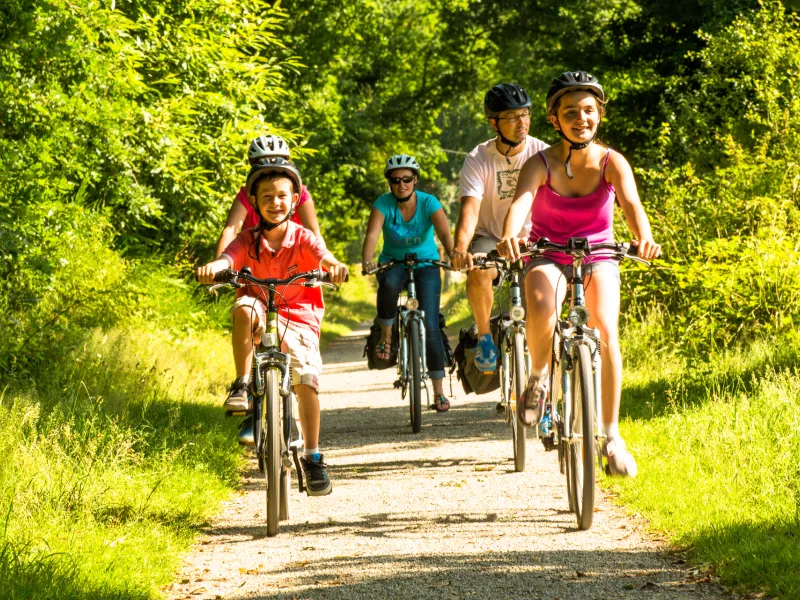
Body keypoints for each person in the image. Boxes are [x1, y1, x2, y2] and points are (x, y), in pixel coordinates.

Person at [497, 71, 662, 477]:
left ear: (599, 114)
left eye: (588, 110)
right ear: (554, 120)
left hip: (599, 254)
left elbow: (632, 206)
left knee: (605, 328)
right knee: (542, 307)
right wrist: (509, 236)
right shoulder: (540, 162)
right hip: (547, 252)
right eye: (570, 112)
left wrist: (644, 239)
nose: (581, 118)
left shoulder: (612, 162)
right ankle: (538, 378)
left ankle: (612, 437)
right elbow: (521, 203)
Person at [197, 158, 349, 496]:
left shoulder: (303, 238)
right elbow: (227, 259)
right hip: (259, 305)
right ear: (254, 202)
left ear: (294, 200)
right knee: (243, 308)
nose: (275, 202)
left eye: (282, 196)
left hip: (299, 313)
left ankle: (312, 456)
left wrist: (335, 267)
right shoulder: (247, 240)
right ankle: (241, 385)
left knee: (305, 380)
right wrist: (214, 268)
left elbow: (324, 256)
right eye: (267, 197)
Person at [450, 84, 548, 373]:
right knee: (479, 270)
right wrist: (460, 250)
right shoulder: (478, 158)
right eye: (513, 117)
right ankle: (485, 338)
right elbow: (470, 209)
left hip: (534, 238)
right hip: (491, 238)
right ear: (494, 123)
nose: (522, 122)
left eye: (525, 114)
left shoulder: (542, 152)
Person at [361, 154, 455, 412]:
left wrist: (455, 255)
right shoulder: (383, 204)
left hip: (426, 264)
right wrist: (367, 261)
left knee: (431, 326)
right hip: (393, 263)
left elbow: (445, 233)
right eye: (395, 180)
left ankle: (438, 392)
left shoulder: (429, 202)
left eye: (406, 179)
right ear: (389, 183)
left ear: (415, 180)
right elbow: (372, 235)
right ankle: (387, 334)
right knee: (390, 284)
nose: (401, 184)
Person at [215, 134, 323, 258]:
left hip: (293, 260)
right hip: (254, 259)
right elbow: (229, 232)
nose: (271, 165)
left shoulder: (300, 193)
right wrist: (219, 264)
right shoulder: (246, 194)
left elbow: (314, 233)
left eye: (276, 160)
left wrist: (324, 262)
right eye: (263, 162)